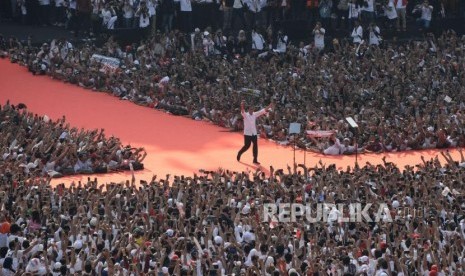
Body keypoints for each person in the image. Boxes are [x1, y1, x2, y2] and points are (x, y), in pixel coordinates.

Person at [236, 100, 273, 164]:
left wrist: (269, 106)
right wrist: (242, 106)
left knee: (255, 146)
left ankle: (255, 159)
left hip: (254, 133)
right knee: (247, 146)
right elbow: (242, 111)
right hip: (247, 134)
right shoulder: (245, 115)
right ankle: (240, 153)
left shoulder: (255, 114)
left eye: (252, 109)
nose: (251, 110)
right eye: (250, 109)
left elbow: (262, 111)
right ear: (248, 110)